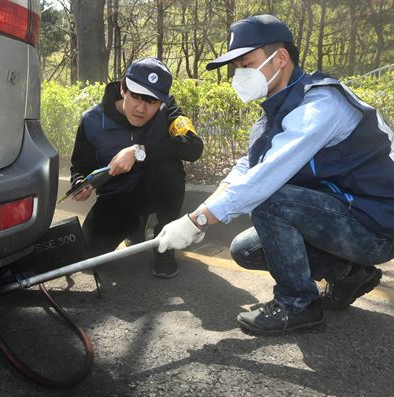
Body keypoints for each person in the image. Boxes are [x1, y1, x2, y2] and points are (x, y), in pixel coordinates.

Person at [156, 15, 394, 335]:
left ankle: (298, 304)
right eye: (236, 67)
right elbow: (246, 168)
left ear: (280, 58)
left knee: (270, 199)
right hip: (341, 217)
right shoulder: (273, 115)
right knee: (247, 249)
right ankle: (350, 272)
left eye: (245, 63)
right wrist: (196, 217)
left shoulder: (320, 104)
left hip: (376, 227)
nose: (238, 75)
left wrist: (200, 220)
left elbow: (266, 176)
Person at [70, 57, 203, 278]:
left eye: (151, 101)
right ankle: (134, 226)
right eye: (136, 97)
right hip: (117, 198)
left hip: (154, 188)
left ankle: (164, 244)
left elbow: (193, 147)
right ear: (123, 88)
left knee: (170, 166)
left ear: (161, 101)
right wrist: (79, 183)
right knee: (87, 261)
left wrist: (137, 151)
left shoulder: (168, 110)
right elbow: (80, 167)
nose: (141, 108)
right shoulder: (91, 121)